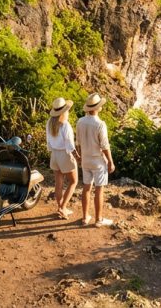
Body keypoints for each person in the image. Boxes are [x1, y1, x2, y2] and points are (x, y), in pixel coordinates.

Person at [75, 93, 115, 227]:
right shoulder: (100, 124)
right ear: (98, 108)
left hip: (85, 159)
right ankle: (99, 219)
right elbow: (104, 145)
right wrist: (110, 161)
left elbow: (78, 142)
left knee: (86, 188)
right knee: (99, 189)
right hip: (98, 160)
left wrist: (80, 157)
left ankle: (85, 217)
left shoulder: (80, 122)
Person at [46, 97, 79, 219]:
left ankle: (60, 207)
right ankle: (63, 208)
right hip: (65, 154)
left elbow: (48, 141)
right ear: (64, 111)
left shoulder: (49, 122)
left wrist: (53, 151)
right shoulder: (65, 125)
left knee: (58, 183)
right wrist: (77, 157)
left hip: (54, 154)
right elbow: (70, 145)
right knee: (73, 181)